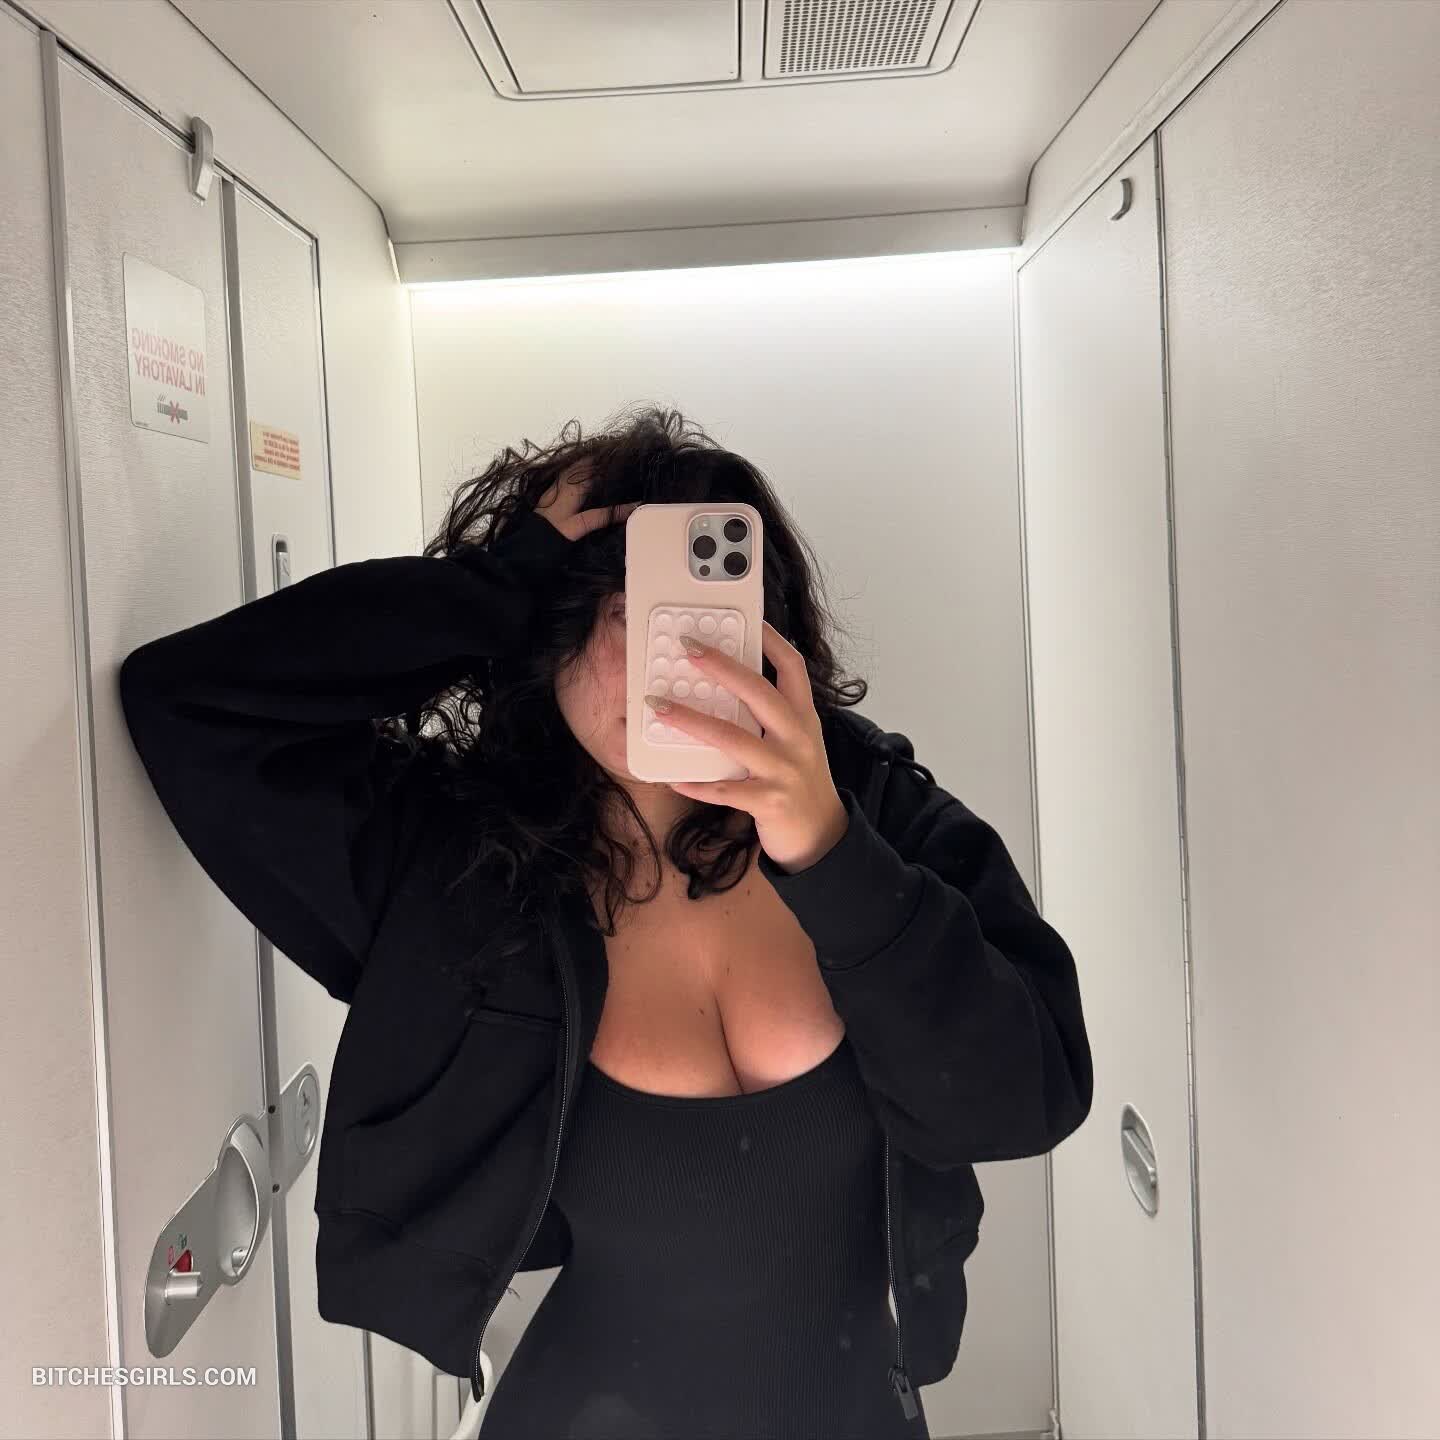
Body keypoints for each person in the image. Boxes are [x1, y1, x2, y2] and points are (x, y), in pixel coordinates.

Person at [119, 407, 1092, 1440]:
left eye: (686, 604)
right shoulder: (456, 877)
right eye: (603, 605)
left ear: (758, 618)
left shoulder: (881, 818)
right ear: (543, 631)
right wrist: (496, 587)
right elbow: (189, 704)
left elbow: (1024, 1100)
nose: (643, 649)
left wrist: (830, 853)